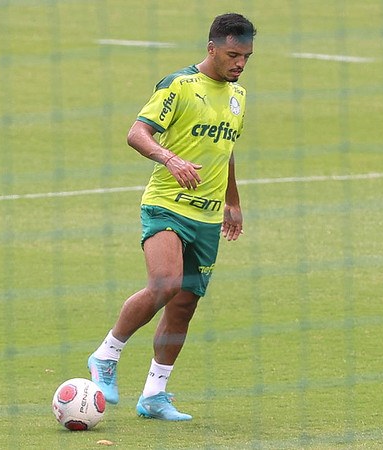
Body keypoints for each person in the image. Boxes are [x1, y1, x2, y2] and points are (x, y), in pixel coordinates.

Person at [87, 13, 256, 421]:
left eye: (247, 56)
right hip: (166, 204)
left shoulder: (239, 96)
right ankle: (107, 355)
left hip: (208, 216)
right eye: (233, 55)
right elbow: (137, 133)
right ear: (211, 48)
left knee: (183, 305)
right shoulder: (179, 85)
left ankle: (154, 395)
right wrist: (169, 157)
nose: (240, 64)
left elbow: (225, 149)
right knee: (164, 283)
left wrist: (232, 201)